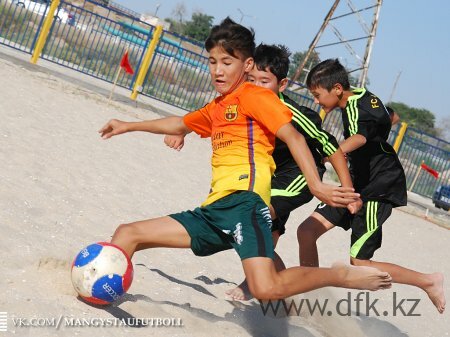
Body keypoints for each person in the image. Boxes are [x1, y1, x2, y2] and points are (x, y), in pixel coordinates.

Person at [99, 19, 392, 302]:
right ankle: (101, 294)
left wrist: (316, 185)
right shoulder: (218, 106)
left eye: (227, 62)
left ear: (247, 65)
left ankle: (337, 275)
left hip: (246, 205)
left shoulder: (255, 96)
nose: (218, 70)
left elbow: (295, 137)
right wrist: (128, 125)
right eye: (212, 61)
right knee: (128, 233)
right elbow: (179, 124)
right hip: (214, 211)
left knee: (265, 287)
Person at [297, 59, 445, 313]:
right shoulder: (367, 96)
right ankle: (313, 296)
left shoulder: (353, 108)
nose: (317, 101)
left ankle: (428, 281)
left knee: (359, 261)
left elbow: (359, 137)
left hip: (379, 186)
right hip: (355, 182)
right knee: (306, 232)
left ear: (337, 89)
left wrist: (333, 153)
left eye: (317, 95)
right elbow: (392, 116)